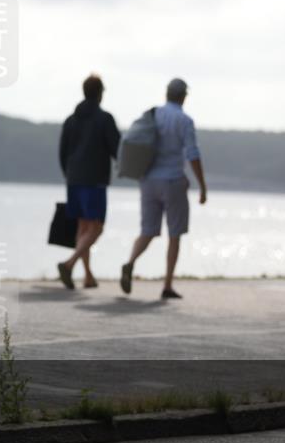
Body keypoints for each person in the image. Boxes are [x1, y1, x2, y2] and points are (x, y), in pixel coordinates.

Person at [120, 78, 207, 299]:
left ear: (166, 94)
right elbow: (192, 154)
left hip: (148, 181)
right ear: (183, 96)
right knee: (175, 234)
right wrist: (202, 186)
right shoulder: (185, 121)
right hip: (173, 181)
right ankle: (167, 284)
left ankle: (130, 262)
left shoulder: (154, 115)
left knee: (148, 231)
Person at [56, 74, 121, 290]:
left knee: (83, 226)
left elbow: (63, 151)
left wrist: (68, 173)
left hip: (73, 177)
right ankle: (69, 263)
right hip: (94, 180)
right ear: (100, 93)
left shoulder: (70, 120)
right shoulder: (105, 119)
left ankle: (87, 275)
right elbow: (116, 148)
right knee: (96, 228)